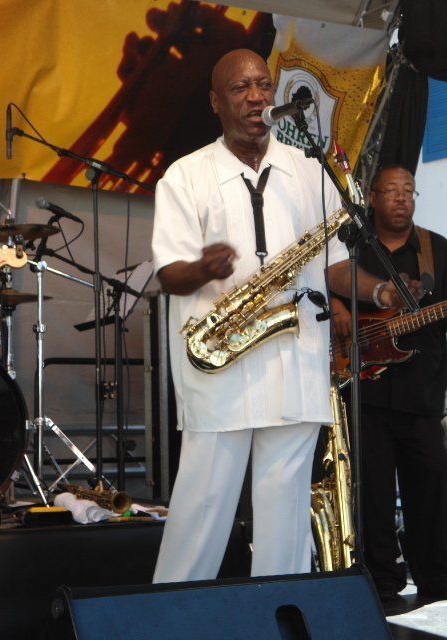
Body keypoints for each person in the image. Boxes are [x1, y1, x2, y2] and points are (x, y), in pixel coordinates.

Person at [151, 49, 421, 583]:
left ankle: (280, 610)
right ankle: (174, 609)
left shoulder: (310, 171)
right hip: (222, 366)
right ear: (215, 102)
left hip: (294, 360)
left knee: (287, 517)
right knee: (201, 510)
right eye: (240, 89)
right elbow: (168, 275)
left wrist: (379, 291)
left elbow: (335, 266)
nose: (256, 97)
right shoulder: (185, 176)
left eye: (262, 85)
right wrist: (203, 268)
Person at [331, 165, 447, 602]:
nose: (402, 198)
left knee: (431, 492)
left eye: (409, 191)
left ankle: (435, 584)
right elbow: (321, 288)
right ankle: (382, 584)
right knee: (373, 495)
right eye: (392, 191)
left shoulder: (437, 250)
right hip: (365, 390)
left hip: (422, 393)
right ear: (373, 198)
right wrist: (339, 310)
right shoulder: (352, 248)